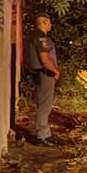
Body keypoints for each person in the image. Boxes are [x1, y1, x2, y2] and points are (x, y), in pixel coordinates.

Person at [25, 13, 60, 146]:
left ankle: (44, 133)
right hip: (45, 74)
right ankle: (42, 136)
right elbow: (45, 59)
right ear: (44, 23)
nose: (50, 25)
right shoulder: (40, 38)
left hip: (38, 74)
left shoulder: (32, 37)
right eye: (49, 23)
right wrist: (55, 71)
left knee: (42, 104)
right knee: (45, 105)